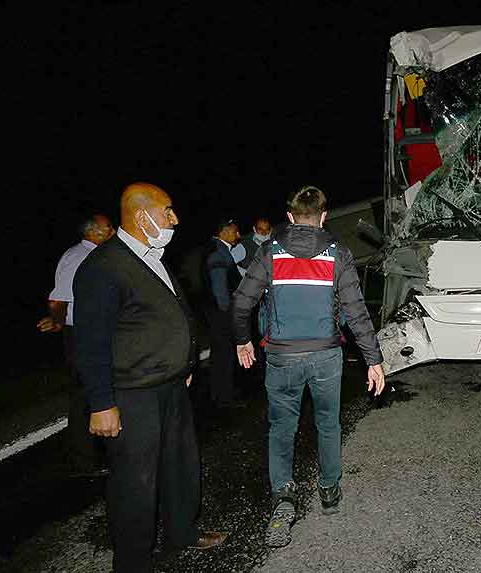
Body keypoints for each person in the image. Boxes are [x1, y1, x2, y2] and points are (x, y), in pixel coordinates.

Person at [72, 182, 227, 572]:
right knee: (135, 483)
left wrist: (186, 364)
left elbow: (171, 314)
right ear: (142, 217)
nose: (175, 218)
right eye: (168, 211)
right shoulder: (103, 267)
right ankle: (132, 562)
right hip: (132, 395)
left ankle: (183, 532)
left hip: (171, 386)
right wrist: (102, 402)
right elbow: (90, 342)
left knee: (180, 466)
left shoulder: (153, 256)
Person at [231, 185, 386, 548]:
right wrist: (373, 360)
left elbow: (241, 303)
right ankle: (329, 489)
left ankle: (283, 496)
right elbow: (355, 312)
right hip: (326, 357)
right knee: (327, 423)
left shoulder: (269, 253)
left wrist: (243, 339)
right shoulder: (338, 255)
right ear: (324, 216)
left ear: (289, 217)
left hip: (282, 357)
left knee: (281, 428)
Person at [37, 213, 114, 478]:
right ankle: (83, 462)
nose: (113, 231)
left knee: (99, 390)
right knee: (84, 396)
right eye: (108, 228)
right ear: (93, 232)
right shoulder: (78, 257)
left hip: (95, 333)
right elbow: (58, 298)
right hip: (82, 335)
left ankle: (102, 450)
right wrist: (57, 322)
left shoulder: (94, 255)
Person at [203, 218, 244, 408]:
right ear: (224, 231)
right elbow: (220, 288)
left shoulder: (215, 248)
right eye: (235, 231)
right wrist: (229, 314)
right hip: (221, 313)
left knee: (220, 354)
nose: (238, 235)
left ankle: (219, 393)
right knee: (225, 354)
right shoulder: (218, 252)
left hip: (215, 312)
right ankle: (224, 398)